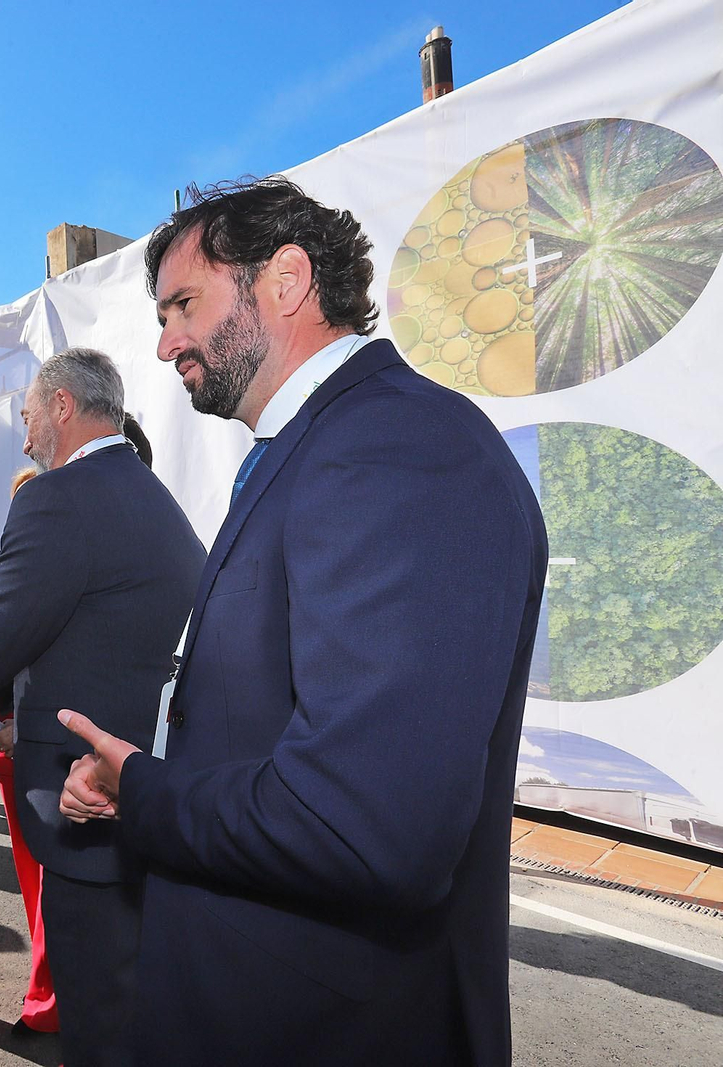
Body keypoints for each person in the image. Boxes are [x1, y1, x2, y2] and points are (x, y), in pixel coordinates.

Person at [57, 177, 548, 1066]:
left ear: (283, 281)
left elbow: (362, 824)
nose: (165, 343)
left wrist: (148, 793)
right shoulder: (313, 447)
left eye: (182, 305)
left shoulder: (396, 446)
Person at [0, 347, 204, 1067]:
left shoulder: (56, 496)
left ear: (63, 406)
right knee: (129, 994)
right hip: (140, 785)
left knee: (96, 1015)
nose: (25, 436)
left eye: (28, 415)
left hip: (79, 794)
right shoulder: (155, 497)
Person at [0, 466, 58, 1037]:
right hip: (18, 745)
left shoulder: (49, 561)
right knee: (36, 883)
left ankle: (50, 1002)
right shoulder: (26, 560)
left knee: (52, 886)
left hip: (44, 747)